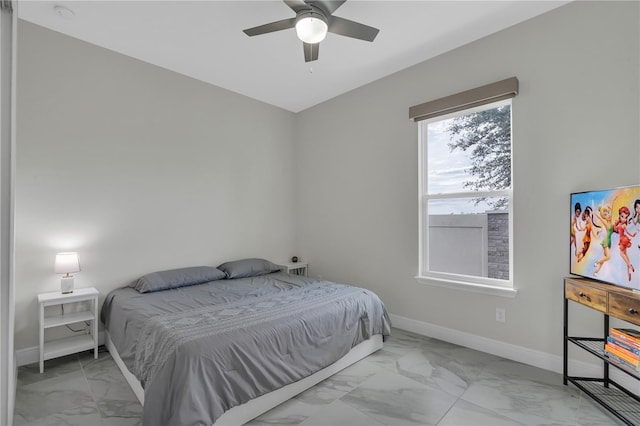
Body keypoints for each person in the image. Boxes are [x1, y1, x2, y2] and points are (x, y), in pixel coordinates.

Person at [615, 206, 637, 281]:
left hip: (622, 240)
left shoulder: (622, 225)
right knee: (626, 257)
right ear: (619, 216)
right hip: (624, 239)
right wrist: (632, 235)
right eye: (622, 216)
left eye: (625, 217)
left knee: (622, 254)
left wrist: (632, 235)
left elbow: (625, 231)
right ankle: (629, 273)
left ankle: (630, 266)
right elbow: (617, 229)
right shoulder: (621, 224)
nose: (624, 219)